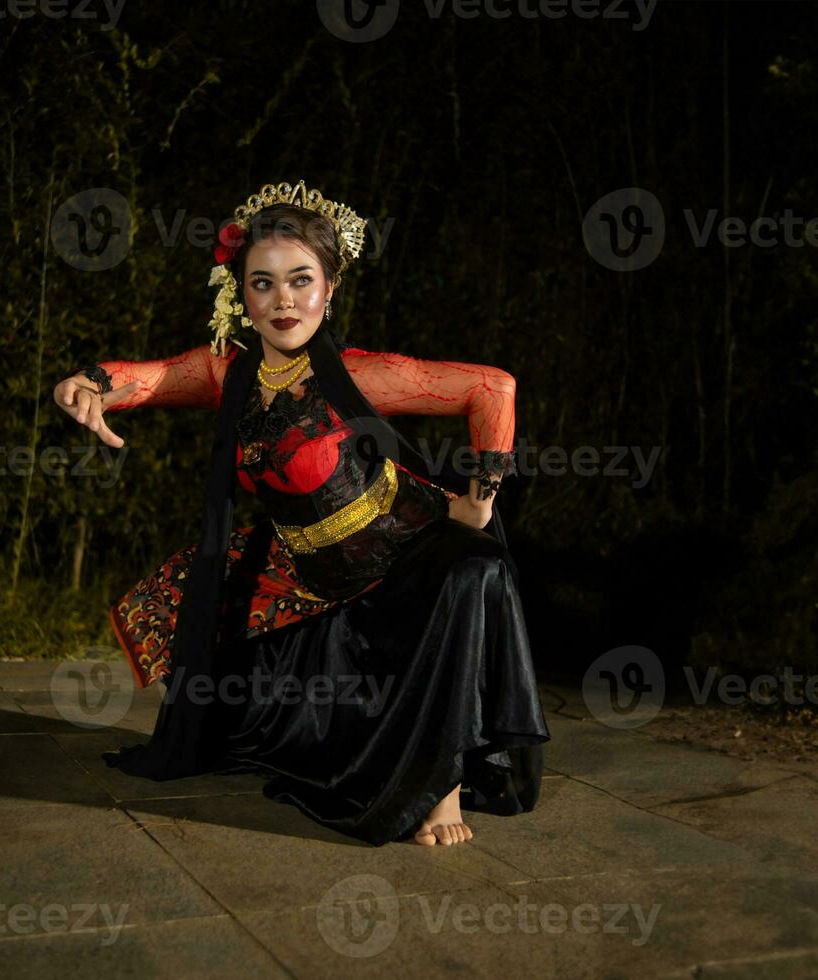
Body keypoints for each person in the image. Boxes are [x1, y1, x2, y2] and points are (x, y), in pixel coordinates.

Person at [51, 181, 549, 847]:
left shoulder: (360, 373)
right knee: (177, 603)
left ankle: (442, 788)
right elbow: (147, 377)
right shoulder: (226, 373)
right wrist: (86, 382)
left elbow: (493, 387)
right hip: (309, 564)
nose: (283, 300)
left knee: (469, 577)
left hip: (406, 545)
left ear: (330, 289)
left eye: (300, 280)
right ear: (241, 294)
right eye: (262, 283)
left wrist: (477, 505)